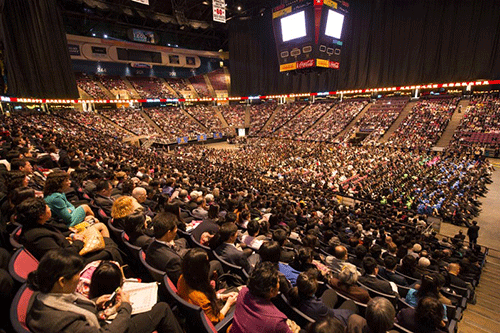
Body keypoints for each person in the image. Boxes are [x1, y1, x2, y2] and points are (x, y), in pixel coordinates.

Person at [26, 249, 182, 333]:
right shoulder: (63, 322)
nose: (79, 279)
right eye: (76, 276)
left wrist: (94, 303)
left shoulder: (41, 295)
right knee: (162, 309)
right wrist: (125, 307)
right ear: (62, 281)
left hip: (99, 319)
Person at [18, 197, 122, 263]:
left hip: (71, 245)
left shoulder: (37, 225)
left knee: (103, 235)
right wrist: (78, 242)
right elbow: (62, 258)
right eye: (47, 208)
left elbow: (59, 233)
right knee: (111, 249)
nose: (49, 209)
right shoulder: (38, 236)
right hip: (73, 262)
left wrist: (72, 235)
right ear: (40, 215)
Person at [229, 261, 295, 333]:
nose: (279, 284)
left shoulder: (242, 293)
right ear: (271, 291)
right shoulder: (277, 322)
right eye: (278, 282)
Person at [177, 248, 238, 324]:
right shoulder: (201, 299)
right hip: (218, 322)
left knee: (237, 291)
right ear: (202, 270)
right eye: (207, 262)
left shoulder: (182, 278)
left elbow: (206, 296)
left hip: (200, 310)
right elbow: (216, 321)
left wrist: (222, 296)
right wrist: (229, 304)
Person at [288, 269, 356, 326]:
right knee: (350, 305)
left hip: (314, 311)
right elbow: (331, 314)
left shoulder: (291, 294)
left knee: (330, 292)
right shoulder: (320, 307)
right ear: (314, 290)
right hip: (327, 320)